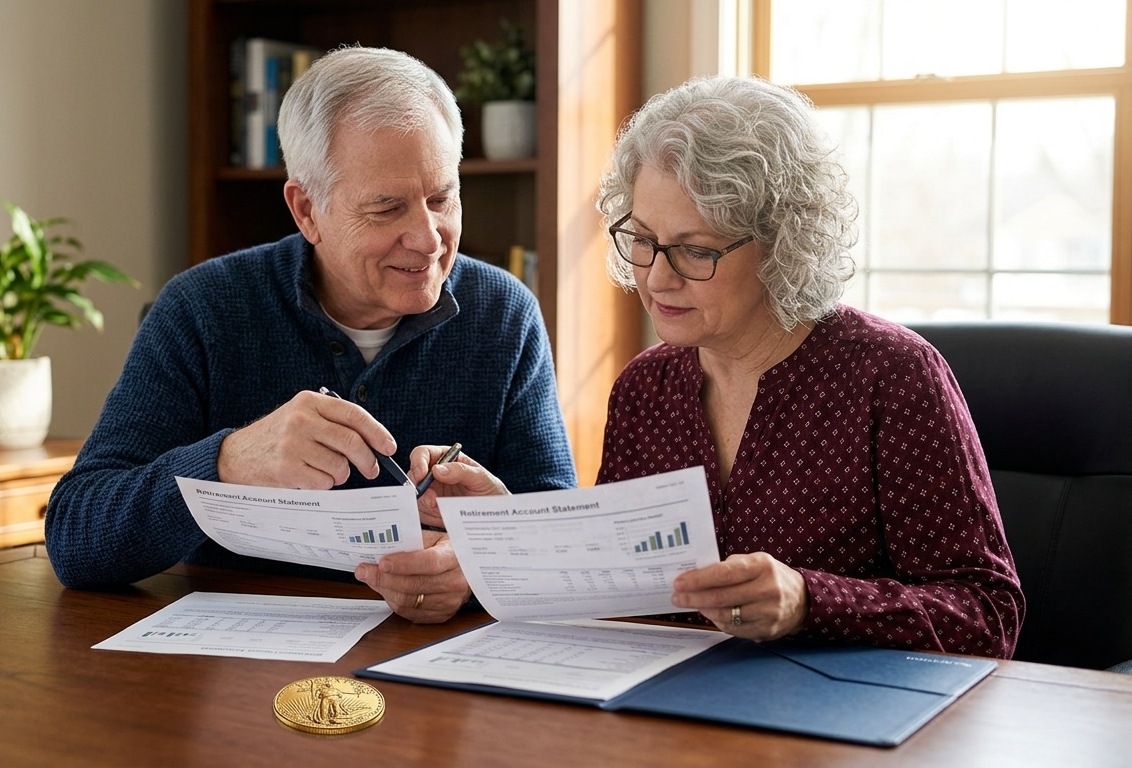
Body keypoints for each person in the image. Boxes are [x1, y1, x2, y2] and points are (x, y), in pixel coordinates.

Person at [422, 75, 1024, 658]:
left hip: (835, 712)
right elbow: (615, 582)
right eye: (643, 239)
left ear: (785, 244)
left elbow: (987, 614)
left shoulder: (892, 376)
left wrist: (809, 601)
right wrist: (501, 525)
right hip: (662, 704)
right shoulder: (646, 389)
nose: (657, 277)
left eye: (695, 250)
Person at [44, 46, 576, 623]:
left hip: (438, 664)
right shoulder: (201, 310)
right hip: (236, 657)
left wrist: (477, 565)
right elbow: (76, 538)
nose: (429, 238)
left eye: (442, 199)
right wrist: (226, 462)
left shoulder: (504, 315)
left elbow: (567, 550)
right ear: (306, 211)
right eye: (387, 209)